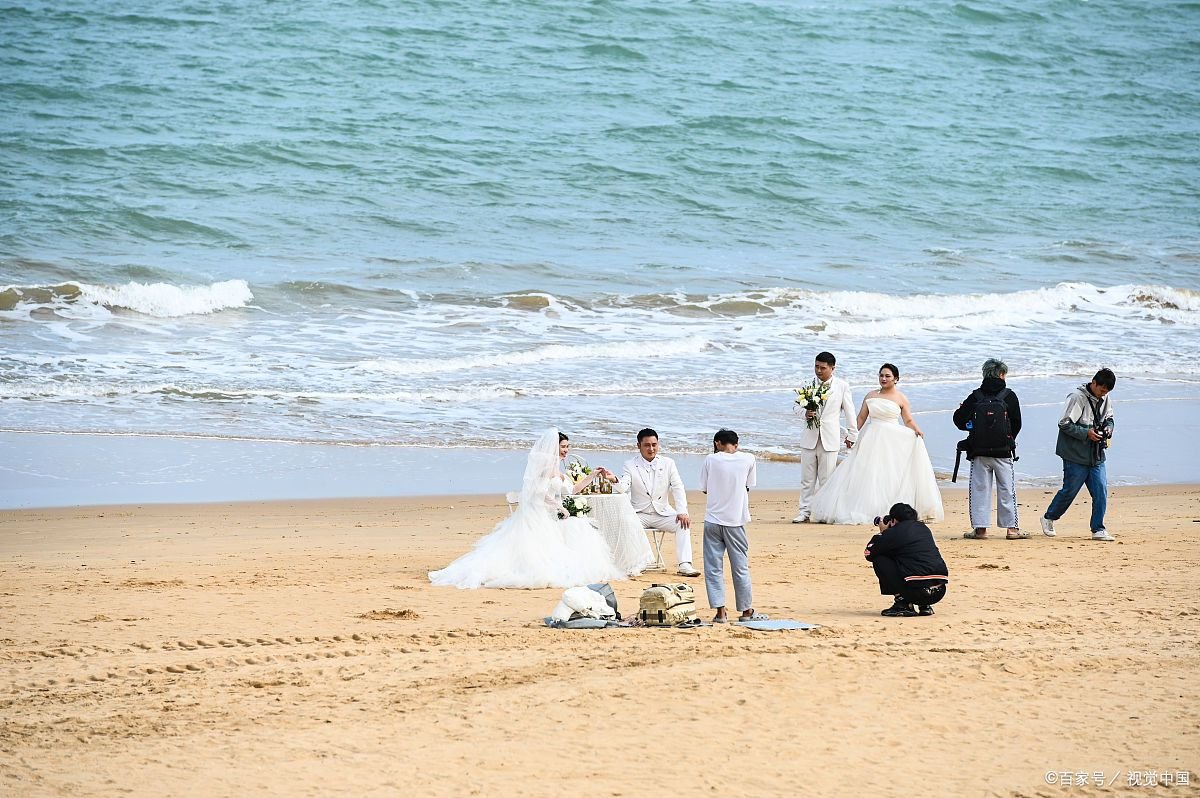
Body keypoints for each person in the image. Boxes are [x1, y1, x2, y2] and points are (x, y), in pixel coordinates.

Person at [428, 429, 626, 589]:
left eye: (567, 447)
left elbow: (572, 490)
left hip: (551, 515)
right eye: (563, 447)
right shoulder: (546, 468)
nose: (566, 450)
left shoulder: (559, 469)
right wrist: (558, 506)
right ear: (553, 448)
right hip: (538, 512)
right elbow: (537, 492)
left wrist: (592, 475)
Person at [809, 363, 944, 524]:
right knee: (867, 473)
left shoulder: (900, 398)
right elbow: (860, 418)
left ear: (896, 379)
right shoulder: (871, 395)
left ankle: (891, 508)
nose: (883, 379)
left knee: (889, 473)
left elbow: (907, 419)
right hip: (871, 437)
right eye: (881, 375)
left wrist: (917, 430)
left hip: (892, 439)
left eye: (887, 376)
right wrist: (852, 435)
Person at [1039, 369, 1117, 541]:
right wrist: (1086, 433)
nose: (1103, 394)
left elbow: (1110, 418)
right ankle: (1048, 517)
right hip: (1074, 454)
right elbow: (1064, 424)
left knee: (1101, 491)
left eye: (1107, 392)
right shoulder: (1076, 397)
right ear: (1093, 383)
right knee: (1069, 491)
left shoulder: (1106, 398)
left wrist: (1109, 428)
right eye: (1101, 390)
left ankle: (1098, 529)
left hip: (1096, 454)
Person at [611, 428, 699, 577]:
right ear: (638, 446)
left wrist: (682, 511)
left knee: (683, 523)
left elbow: (678, 487)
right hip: (640, 514)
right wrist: (614, 480)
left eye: (654, 444)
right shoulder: (630, 465)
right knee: (626, 522)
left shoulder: (669, 463)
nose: (651, 449)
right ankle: (636, 563)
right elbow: (623, 487)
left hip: (663, 513)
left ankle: (685, 564)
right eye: (647, 445)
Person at [699, 429, 765, 623]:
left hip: (712, 520)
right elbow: (749, 484)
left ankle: (720, 612)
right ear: (736, 444)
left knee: (713, 568)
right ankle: (746, 610)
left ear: (717, 443)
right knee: (740, 567)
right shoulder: (748, 459)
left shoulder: (710, 459)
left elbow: (703, 488)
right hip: (735, 521)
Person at [954, 358, 1024, 540]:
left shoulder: (976, 396)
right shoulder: (1009, 395)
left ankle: (980, 530)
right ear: (1002, 374)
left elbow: (958, 420)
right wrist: (1008, 439)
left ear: (985, 374)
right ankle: (1011, 529)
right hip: (1003, 452)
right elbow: (1017, 422)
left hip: (979, 452)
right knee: (1007, 489)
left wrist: (974, 428)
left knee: (980, 489)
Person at [794, 351, 859, 523]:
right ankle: (804, 512)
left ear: (832, 368)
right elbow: (796, 408)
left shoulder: (842, 386)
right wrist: (805, 413)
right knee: (807, 479)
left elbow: (850, 412)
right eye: (816, 366)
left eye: (823, 368)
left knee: (826, 479)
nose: (818, 370)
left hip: (830, 438)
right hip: (809, 437)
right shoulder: (807, 384)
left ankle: (824, 512)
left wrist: (853, 434)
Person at [864, 503, 948, 617]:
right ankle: (925, 607)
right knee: (910, 557)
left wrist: (883, 532)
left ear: (893, 520)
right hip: (939, 591)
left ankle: (902, 603)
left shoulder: (894, 532)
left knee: (880, 559)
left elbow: (869, 554)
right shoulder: (924, 529)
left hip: (918, 593)